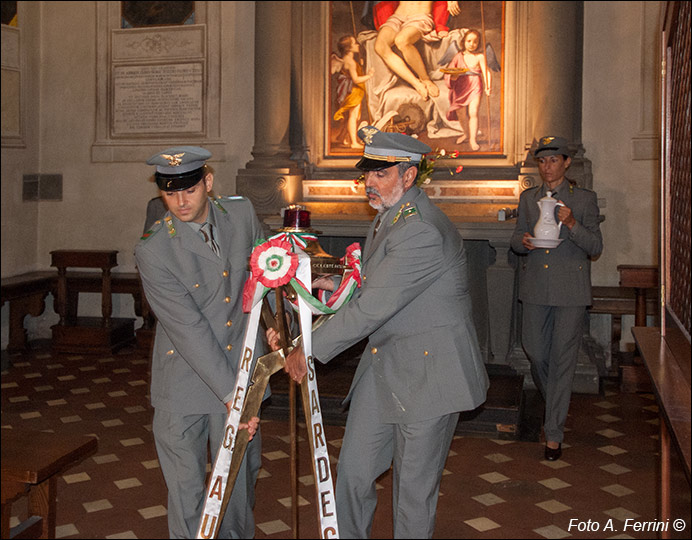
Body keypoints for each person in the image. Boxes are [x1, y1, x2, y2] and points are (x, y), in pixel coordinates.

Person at [269, 126, 489, 538]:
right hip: (385, 369)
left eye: (380, 173)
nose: (369, 182)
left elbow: (371, 308)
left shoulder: (421, 229)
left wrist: (308, 348)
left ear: (408, 176)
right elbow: (374, 280)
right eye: (367, 173)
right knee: (352, 476)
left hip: (429, 379)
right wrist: (330, 277)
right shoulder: (392, 214)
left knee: (411, 496)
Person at [134, 146, 264, 538]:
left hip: (242, 371)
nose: (180, 201)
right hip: (186, 383)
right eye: (169, 192)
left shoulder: (241, 214)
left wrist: (278, 327)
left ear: (208, 182)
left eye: (189, 189)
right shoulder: (154, 250)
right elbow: (188, 329)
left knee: (238, 488)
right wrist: (233, 397)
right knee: (189, 495)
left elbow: (268, 274)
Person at [509, 136, 603, 461]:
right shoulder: (528, 198)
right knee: (535, 351)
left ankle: (554, 434)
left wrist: (573, 223)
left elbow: (595, 247)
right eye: (542, 161)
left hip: (569, 291)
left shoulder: (585, 199)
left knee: (563, 362)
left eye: (553, 160)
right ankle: (557, 405)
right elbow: (517, 239)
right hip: (536, 288)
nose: (547, 167)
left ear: (565, 163)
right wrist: (523, 241)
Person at [372, 1, 460, 100]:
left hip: (420, 17)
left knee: (402, 41)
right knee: (380, 46)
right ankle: (416, 83)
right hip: (397, 16)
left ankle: (425, 79)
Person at [444, 29, 492, 151]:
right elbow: (450, 71)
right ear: (464, 42)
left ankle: (473, 140)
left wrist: (488, 86)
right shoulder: (458, 56)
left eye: (475, 42)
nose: (472, 44)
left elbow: (486, 72)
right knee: (461, 114)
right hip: (461, 87)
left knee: (473, 112)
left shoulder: (480, 56)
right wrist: (453, 76)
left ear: (479, 43)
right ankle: (466, 133)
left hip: (475, 85)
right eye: (469, 41)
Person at [331, 35, 375, 148]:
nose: (357, 45)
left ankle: (342, 138)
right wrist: (369, 76)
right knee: (353, 116)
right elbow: (356, 79)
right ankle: (354, 143)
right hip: (353, 91)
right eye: (355, 43)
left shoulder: (349, 60)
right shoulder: (350, 62)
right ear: (349, 48)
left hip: (353, 91)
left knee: (351, 116)